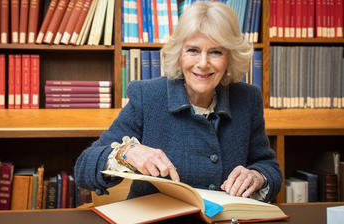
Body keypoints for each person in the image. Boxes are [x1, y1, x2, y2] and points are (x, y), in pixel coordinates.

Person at [74, 1, 282, 202]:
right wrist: (126, 153)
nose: (202, 63)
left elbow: (268, 166)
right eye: (193, 50)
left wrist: (258, 176)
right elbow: (84, 167)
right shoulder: (147, 96)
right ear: (179, 54)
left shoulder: (248, 99)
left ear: (230, 58)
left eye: (215, 52)